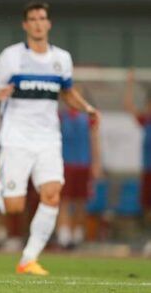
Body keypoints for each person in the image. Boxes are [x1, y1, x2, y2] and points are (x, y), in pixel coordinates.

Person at [0, 1, 100, 275]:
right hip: (16, 138)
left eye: (42, 18)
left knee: (52, 195)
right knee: (12, 207)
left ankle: (28, 259)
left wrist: (86, 108)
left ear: (48, 23)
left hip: (49, 139)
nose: (38, 23)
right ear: (25, 25)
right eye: (33, 19)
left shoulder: (61, 59)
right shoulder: (12, 57)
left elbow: (67, 93)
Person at [57, 85, 102, 249]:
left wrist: (96, 163)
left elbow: (94, 140)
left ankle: (77, 232)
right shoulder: (61, 116)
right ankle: (64, 232)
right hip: (65, 163)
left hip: (83, 163)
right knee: (64, 200)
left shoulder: (88, 118)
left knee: (81, 201)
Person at [123, 70, 151, 223]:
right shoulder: (145, 120)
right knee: (147, 205)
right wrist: (130, 83)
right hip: (147, 169)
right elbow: (128, 105)